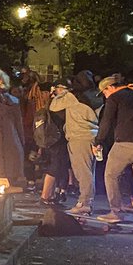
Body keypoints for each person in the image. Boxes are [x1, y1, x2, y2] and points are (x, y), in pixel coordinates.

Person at [95, 74, 133, 232]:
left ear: (110, 88)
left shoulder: (114, 98)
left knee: (110, 175)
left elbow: (106, 122)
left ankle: (115, 212)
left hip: (125, 144)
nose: (105, 96)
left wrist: (98, 141)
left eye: (104, 92)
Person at [50, 76, 100, 215]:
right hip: (92, 135)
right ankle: (87, 200)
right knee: (89, 172)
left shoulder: (72, 97)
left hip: (78, 138)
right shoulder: (97, 96)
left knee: (82, 172)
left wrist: (61, 93)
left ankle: (84, 203)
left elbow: (53, 107)